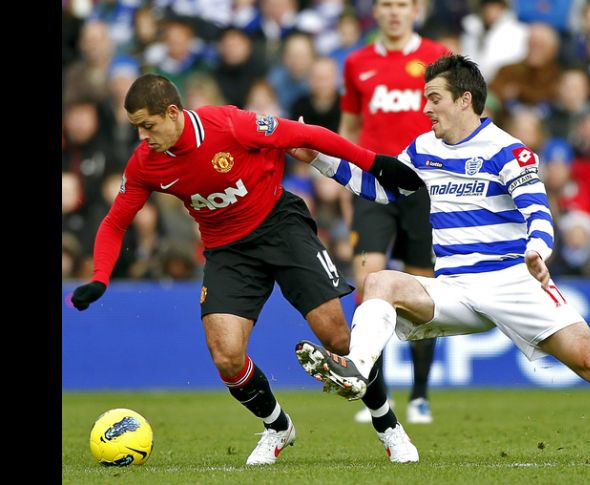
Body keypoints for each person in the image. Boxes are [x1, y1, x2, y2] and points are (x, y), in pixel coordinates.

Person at [291, 55, 590, 460]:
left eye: (434, 98)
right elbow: (382, 190)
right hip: (454, 288)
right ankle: (356, 369)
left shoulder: (508, 150)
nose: (426, 108)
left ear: (464, 100)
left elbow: (538, 212)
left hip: (512, 282)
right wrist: (320, 160)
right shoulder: (422, 149)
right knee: (379, 281)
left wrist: (537, 251)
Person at [69, 73, 418, 465]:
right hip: (225, 249)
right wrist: (99, 278)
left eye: (148, 126)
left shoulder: (230, 125)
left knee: (338, 339)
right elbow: (116, 222)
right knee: (226, 356)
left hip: (280, 226)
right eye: (136, 128)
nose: (143, 137)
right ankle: (277, 426)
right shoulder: (145, 163)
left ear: (172, 112)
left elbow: (310, 136)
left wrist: (375, 163)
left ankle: (388, 426)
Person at [338, 0, 449, 425]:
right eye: (386, 4)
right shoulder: (357, 62)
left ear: (416, 9)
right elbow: (348, 130)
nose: (395, 12)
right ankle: (370, 388)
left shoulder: (438, 57)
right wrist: (346, 182)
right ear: (376, 12)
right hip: (373, 187)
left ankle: (420, 395)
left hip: (425, 190)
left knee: (422, 293)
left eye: (402, 3)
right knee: (369, 282)